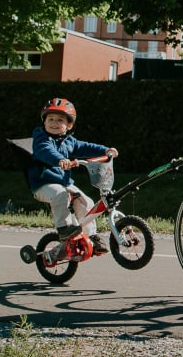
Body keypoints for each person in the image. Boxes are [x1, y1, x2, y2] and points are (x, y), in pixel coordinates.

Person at [28, 97, 118, 254]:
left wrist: (105, 150)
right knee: (60, 194)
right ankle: (64, 228)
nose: (54, 123)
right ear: (44, 121)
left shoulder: (69, 141)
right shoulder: (41, 137)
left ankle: (91, 237)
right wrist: (60, 160)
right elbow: (45, 151)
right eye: (50, 119)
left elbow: (85, 147)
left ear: (69, 125)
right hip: (43, 184)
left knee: (87, 202)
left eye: (60, 120)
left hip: (64, 183)